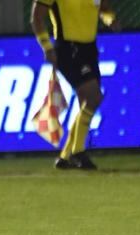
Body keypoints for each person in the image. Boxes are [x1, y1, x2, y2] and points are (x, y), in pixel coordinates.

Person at [30, 0, 119, 170]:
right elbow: (36, 18)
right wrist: (47, 46)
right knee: (94, 97)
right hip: (68, 48)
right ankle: (78, 151)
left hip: (89, 49)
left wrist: (110, 19)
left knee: (87, 102)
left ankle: (65, 156)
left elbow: (104, 9)